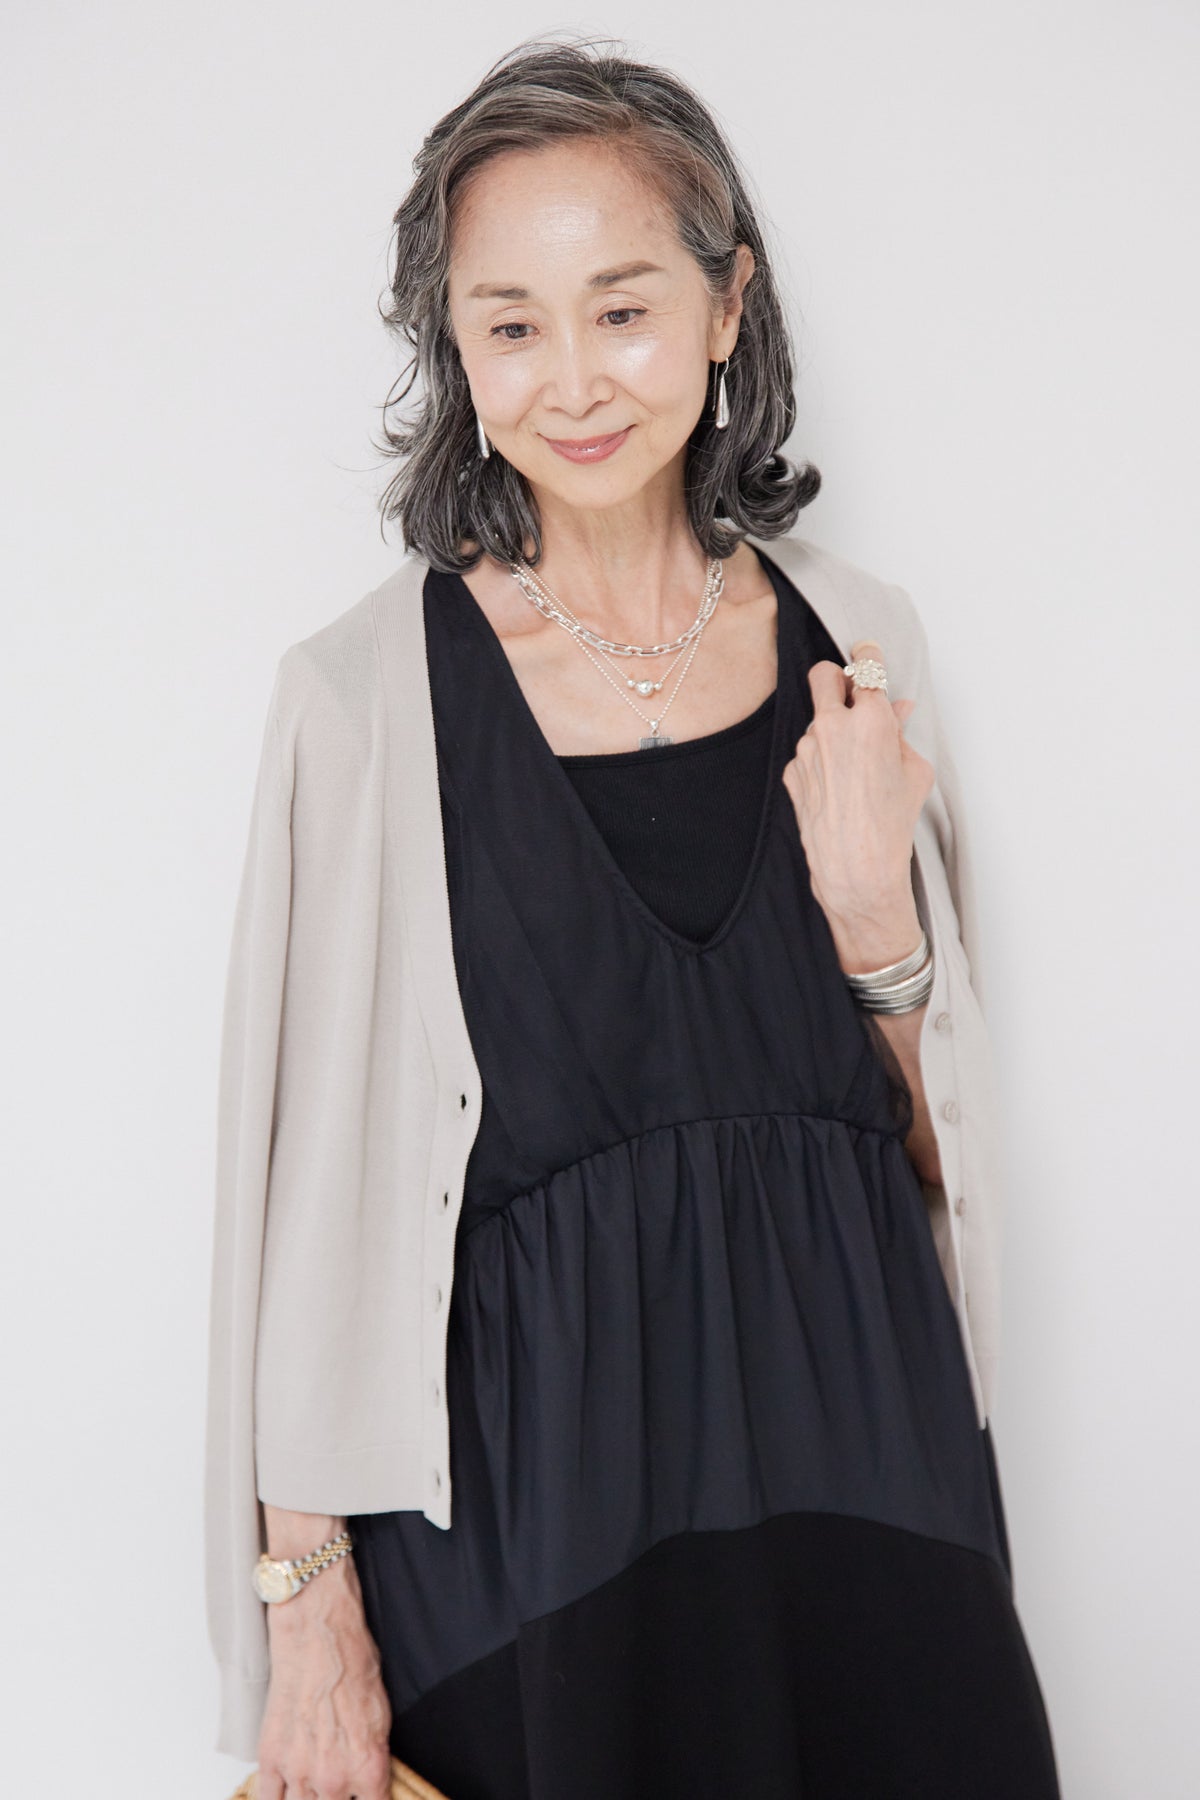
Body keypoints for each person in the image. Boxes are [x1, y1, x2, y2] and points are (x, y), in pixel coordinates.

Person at [207, 36, 1062, 1800]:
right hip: (538, 1539)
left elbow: (930, 1164)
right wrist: (308, 1614)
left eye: (624, 308)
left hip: (870, 1477)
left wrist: (873, 918)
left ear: (726, 306)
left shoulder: (858, 644)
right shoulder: (362, 699)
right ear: (454, 345)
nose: (574, 379)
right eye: (512, 323)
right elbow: (298, 1208)